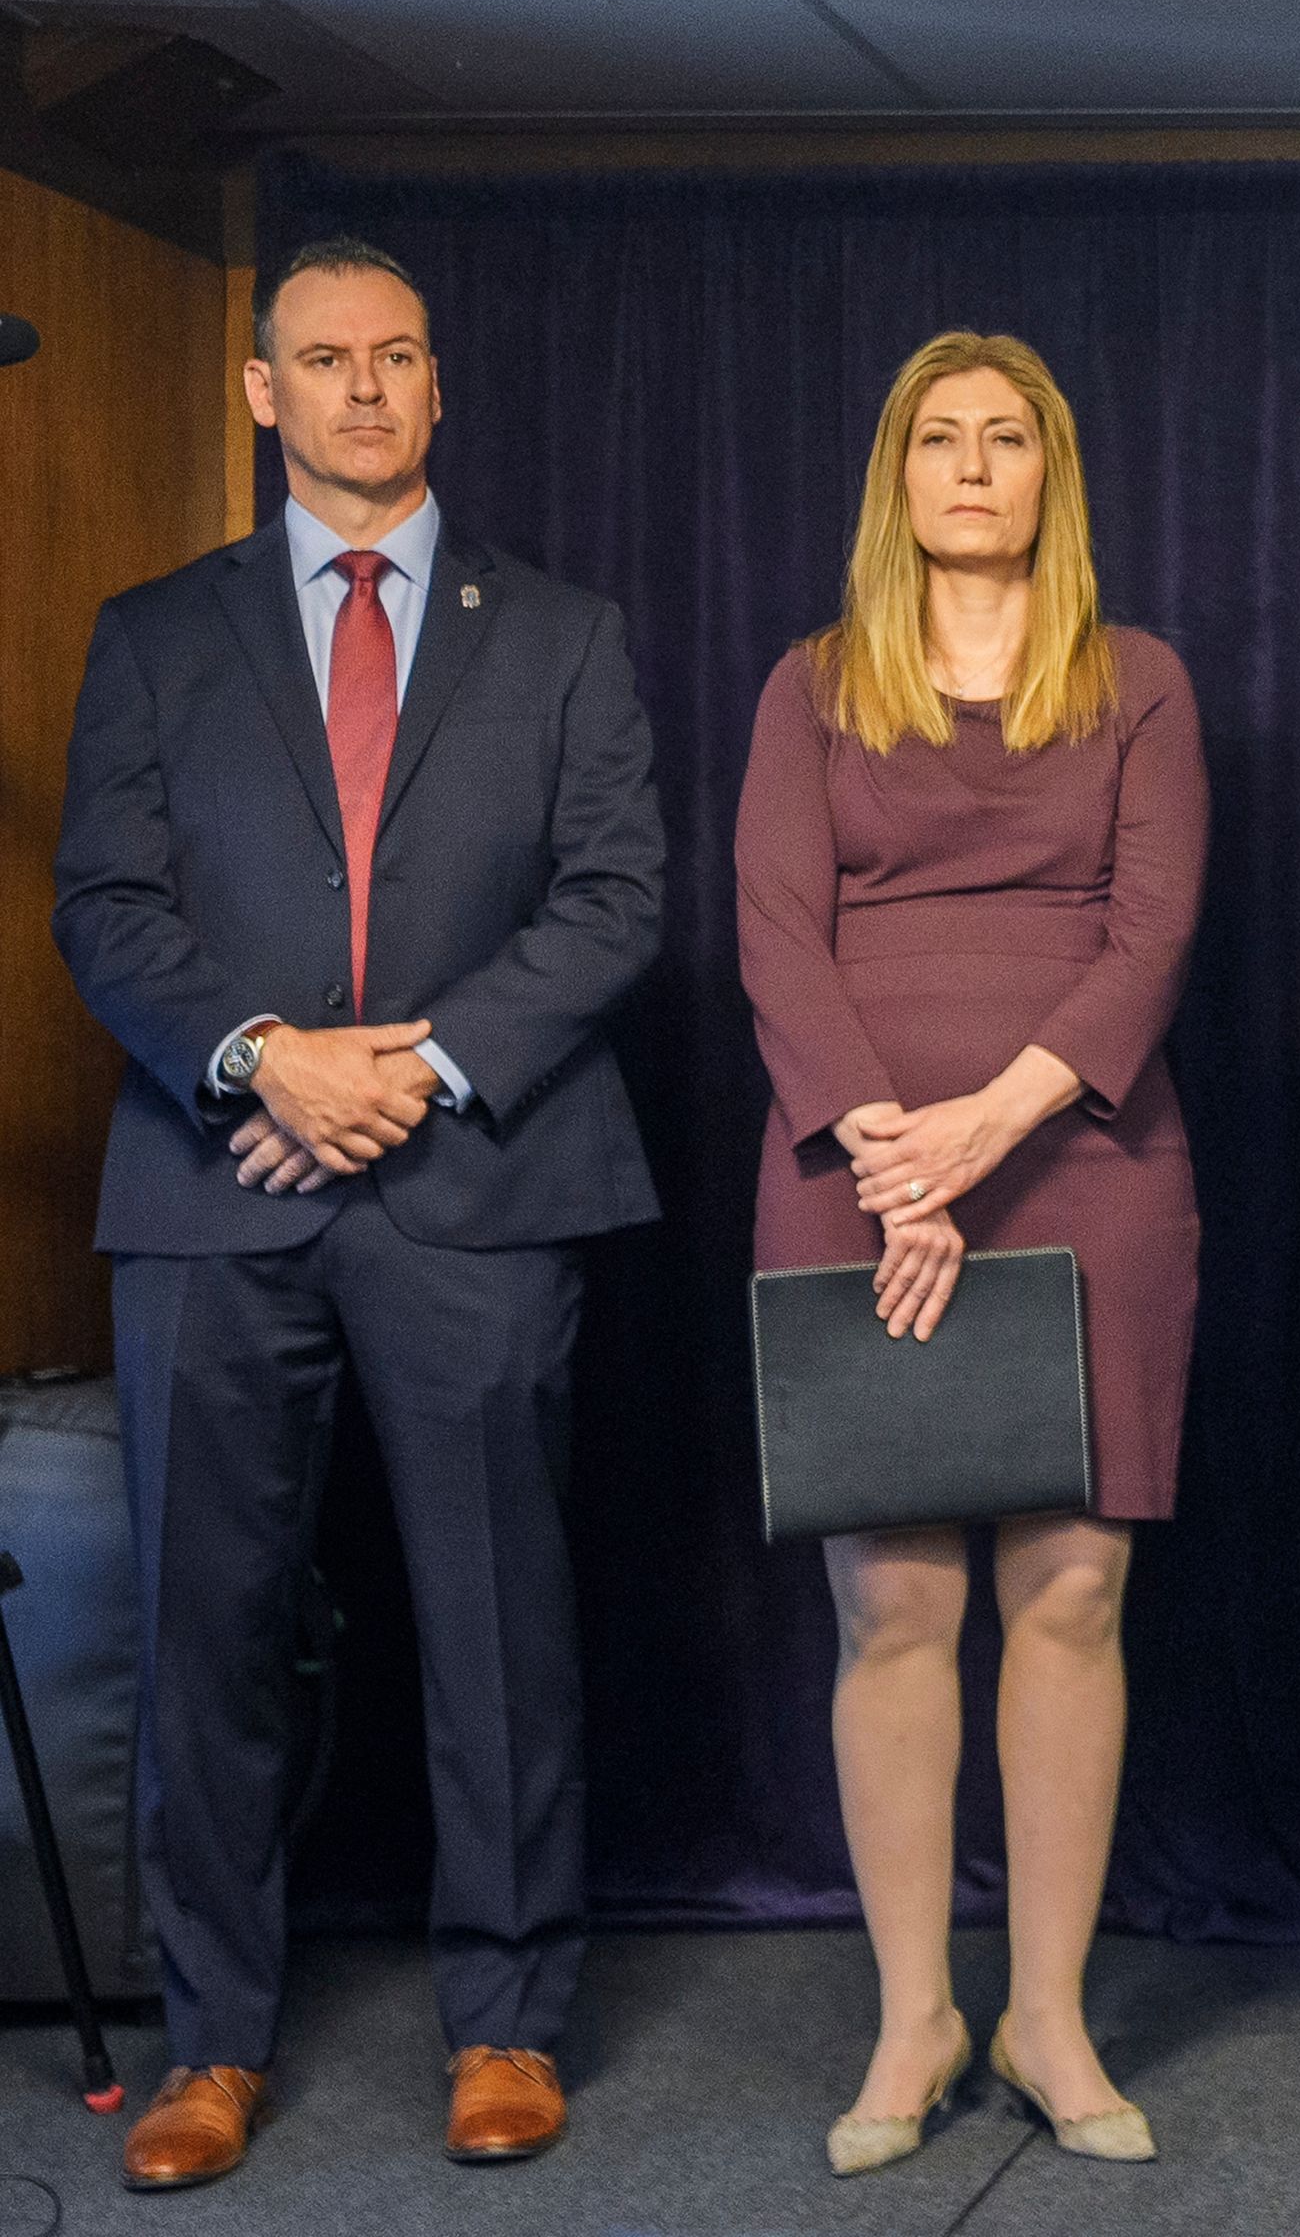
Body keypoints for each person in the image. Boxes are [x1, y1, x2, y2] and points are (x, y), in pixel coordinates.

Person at [50, 237, 663, 2187]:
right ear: (263, 393)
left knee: (500, 1629)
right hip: (215, 1190)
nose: (365, 389)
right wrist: (263, 1057)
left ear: (437, 384)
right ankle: (212, 2047)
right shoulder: (155, 633)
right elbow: (108, 906)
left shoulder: (560, 632)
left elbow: (612, 898)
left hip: (478, 1186)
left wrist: (403, 1071)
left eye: (398, 355)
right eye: (324, 360)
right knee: (207, 1632)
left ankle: (507, 2019)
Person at [735, 331, 1208, 2172]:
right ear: (897, 474)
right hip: (855, 1174)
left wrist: (983, 1131)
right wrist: (887, 1152)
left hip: (1083, 1158)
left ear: (1049, 474)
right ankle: (917, 2009)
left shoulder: (1138, 680)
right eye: (940, 436)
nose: (974, 465)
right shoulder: (813, 682)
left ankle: (1050, 2009)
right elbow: (778, 933)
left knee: (1072, 1597)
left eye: (1008, 437)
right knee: (898, 1603)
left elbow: (1153, 931)